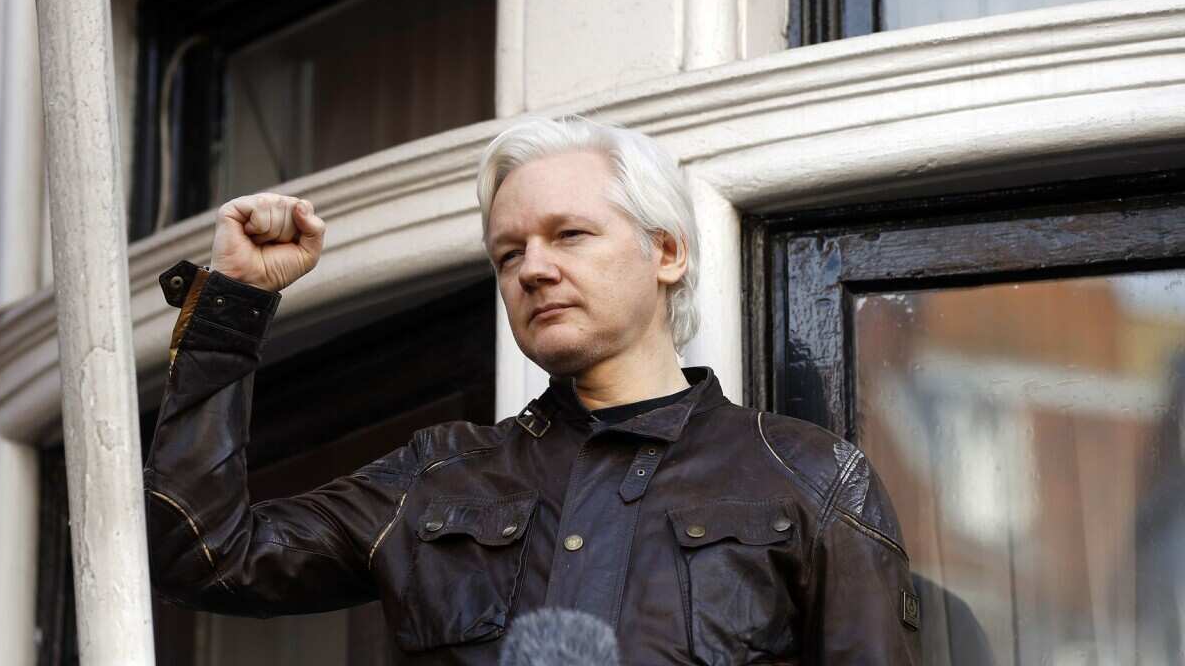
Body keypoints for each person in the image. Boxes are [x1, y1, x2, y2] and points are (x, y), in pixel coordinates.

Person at [145, 116, 922, 664]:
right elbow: (200, 555)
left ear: (668, 251)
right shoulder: (435, 478)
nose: (533, 269)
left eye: (570, 235)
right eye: (508, 252)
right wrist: (232, 303)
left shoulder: (814, 481)